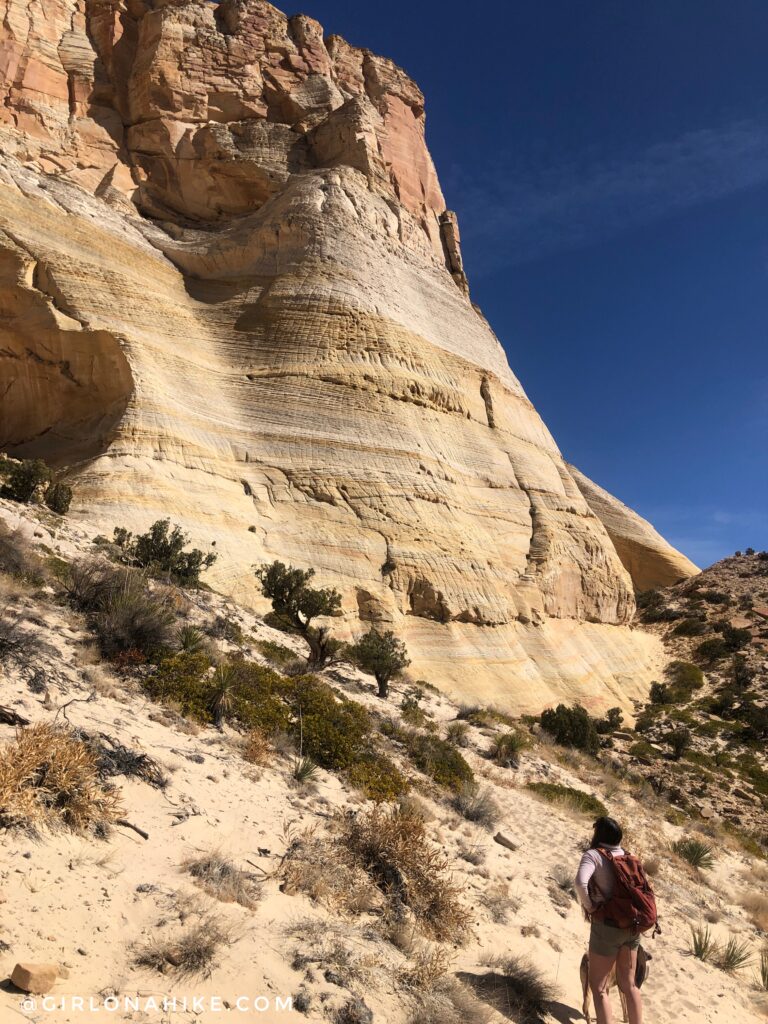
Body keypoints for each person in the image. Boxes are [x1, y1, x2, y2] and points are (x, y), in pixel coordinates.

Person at [574, 816, 643, 1024]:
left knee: (599, 987)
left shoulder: (593, 855)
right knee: (630, 985)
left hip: (607, 927)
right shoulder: (629, 856)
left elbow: (579, 883)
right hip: (632, 926)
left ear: (599, 835)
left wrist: (590, 906)